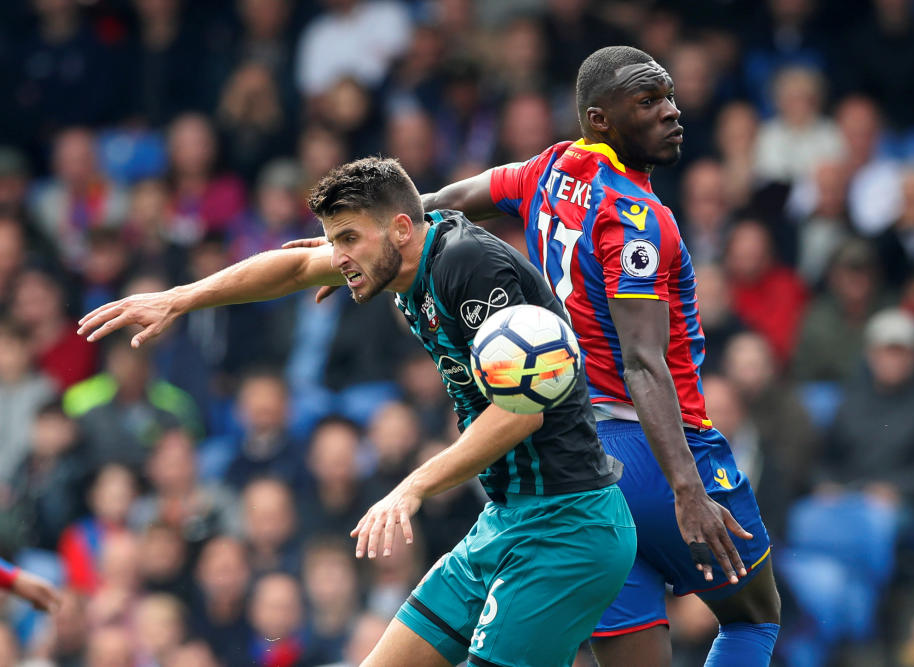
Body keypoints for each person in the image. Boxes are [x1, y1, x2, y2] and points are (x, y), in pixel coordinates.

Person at [77, 156, 636, 667]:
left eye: (347, 238)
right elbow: (294, 269)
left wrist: (410, 488)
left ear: (399, 228)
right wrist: (181, 298)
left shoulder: (469, 268)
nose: (337, 256)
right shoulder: (395, 257)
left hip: (569, 525)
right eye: (331, 240)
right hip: (507, 520)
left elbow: (520, 413)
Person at [415, 46, 781, 666]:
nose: (671, 112)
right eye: (648, 102)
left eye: (668, 96)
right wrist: (687, 489)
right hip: (661, 453)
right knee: (752, 622)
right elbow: (642, 363)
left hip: (582, 466)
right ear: (600, 118)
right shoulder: (639, 218)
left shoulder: (552, 166)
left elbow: (458, 196)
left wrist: (382, 230)